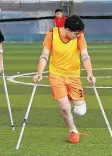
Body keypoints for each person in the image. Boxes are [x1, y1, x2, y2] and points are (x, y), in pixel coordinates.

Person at [33, 15, 96, 144]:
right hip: (56, 74)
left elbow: (84, 55)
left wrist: (90, 73)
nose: (78, 35)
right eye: (76, 33)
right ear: (66, 29)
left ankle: (72, 98)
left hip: (73, 75)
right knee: (64, 107)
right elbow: (45, 55)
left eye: (80, 33)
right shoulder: (51, 34)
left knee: (80, 110)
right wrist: (39, 73)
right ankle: (73, 131)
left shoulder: (79, 37)